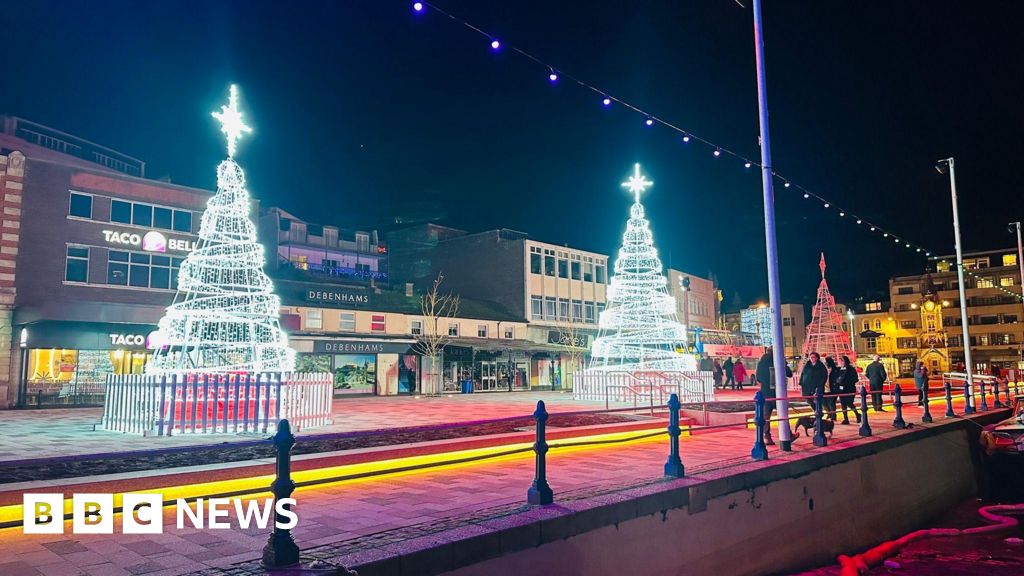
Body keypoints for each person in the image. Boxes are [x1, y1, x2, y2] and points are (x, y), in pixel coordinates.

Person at [756, 348, 792, 445]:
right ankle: (788, 434)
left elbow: (758, 378)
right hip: (778, 392)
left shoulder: (761, 362)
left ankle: (767, 436)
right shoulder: (779, 360)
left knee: (766, 416)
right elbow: (790, 374)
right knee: (783, 414)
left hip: (766, 392)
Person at [837, 355, 860, 424]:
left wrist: (846, 381)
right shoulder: (839, 369)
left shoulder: (850, 369)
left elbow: (855, 379)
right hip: (841, 389)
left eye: (841, 361)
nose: (840, 362)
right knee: (843, 404)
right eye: (840, 361)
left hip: (849, 388)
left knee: (849, 403)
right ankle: (846, 418)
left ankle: (857, 414)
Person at [824, 356, 839, 421]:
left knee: (832, 403)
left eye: (826, 362)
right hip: (825, 388)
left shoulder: (835, 370)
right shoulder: (823, 369)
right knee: (824, 403)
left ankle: (833, 416)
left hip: (833, 388)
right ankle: (829, 413)